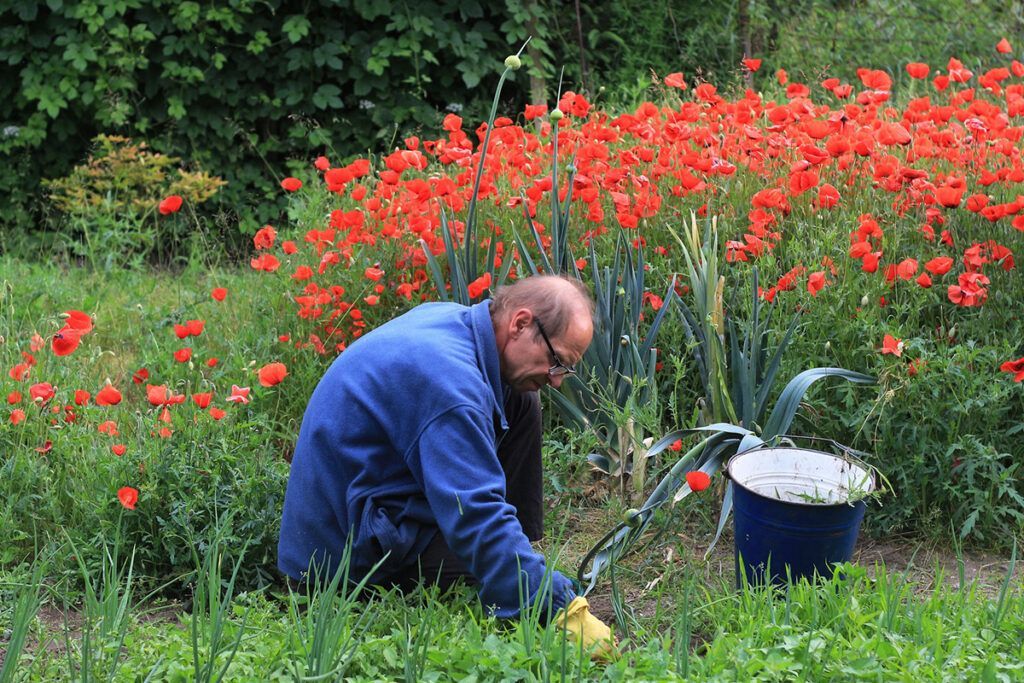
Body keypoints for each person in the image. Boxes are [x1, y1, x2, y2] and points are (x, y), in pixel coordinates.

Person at [278, 274, 616, 659]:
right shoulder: (450, 386)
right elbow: (474, 513)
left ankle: (517, 555)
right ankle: (517, 581)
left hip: (375, 498)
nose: (557, 381)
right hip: (339, 557)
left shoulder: (460, 325)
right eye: (557, 362)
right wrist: (552, 602)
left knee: (523, 398)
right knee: (487, 556)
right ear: (521, 323)